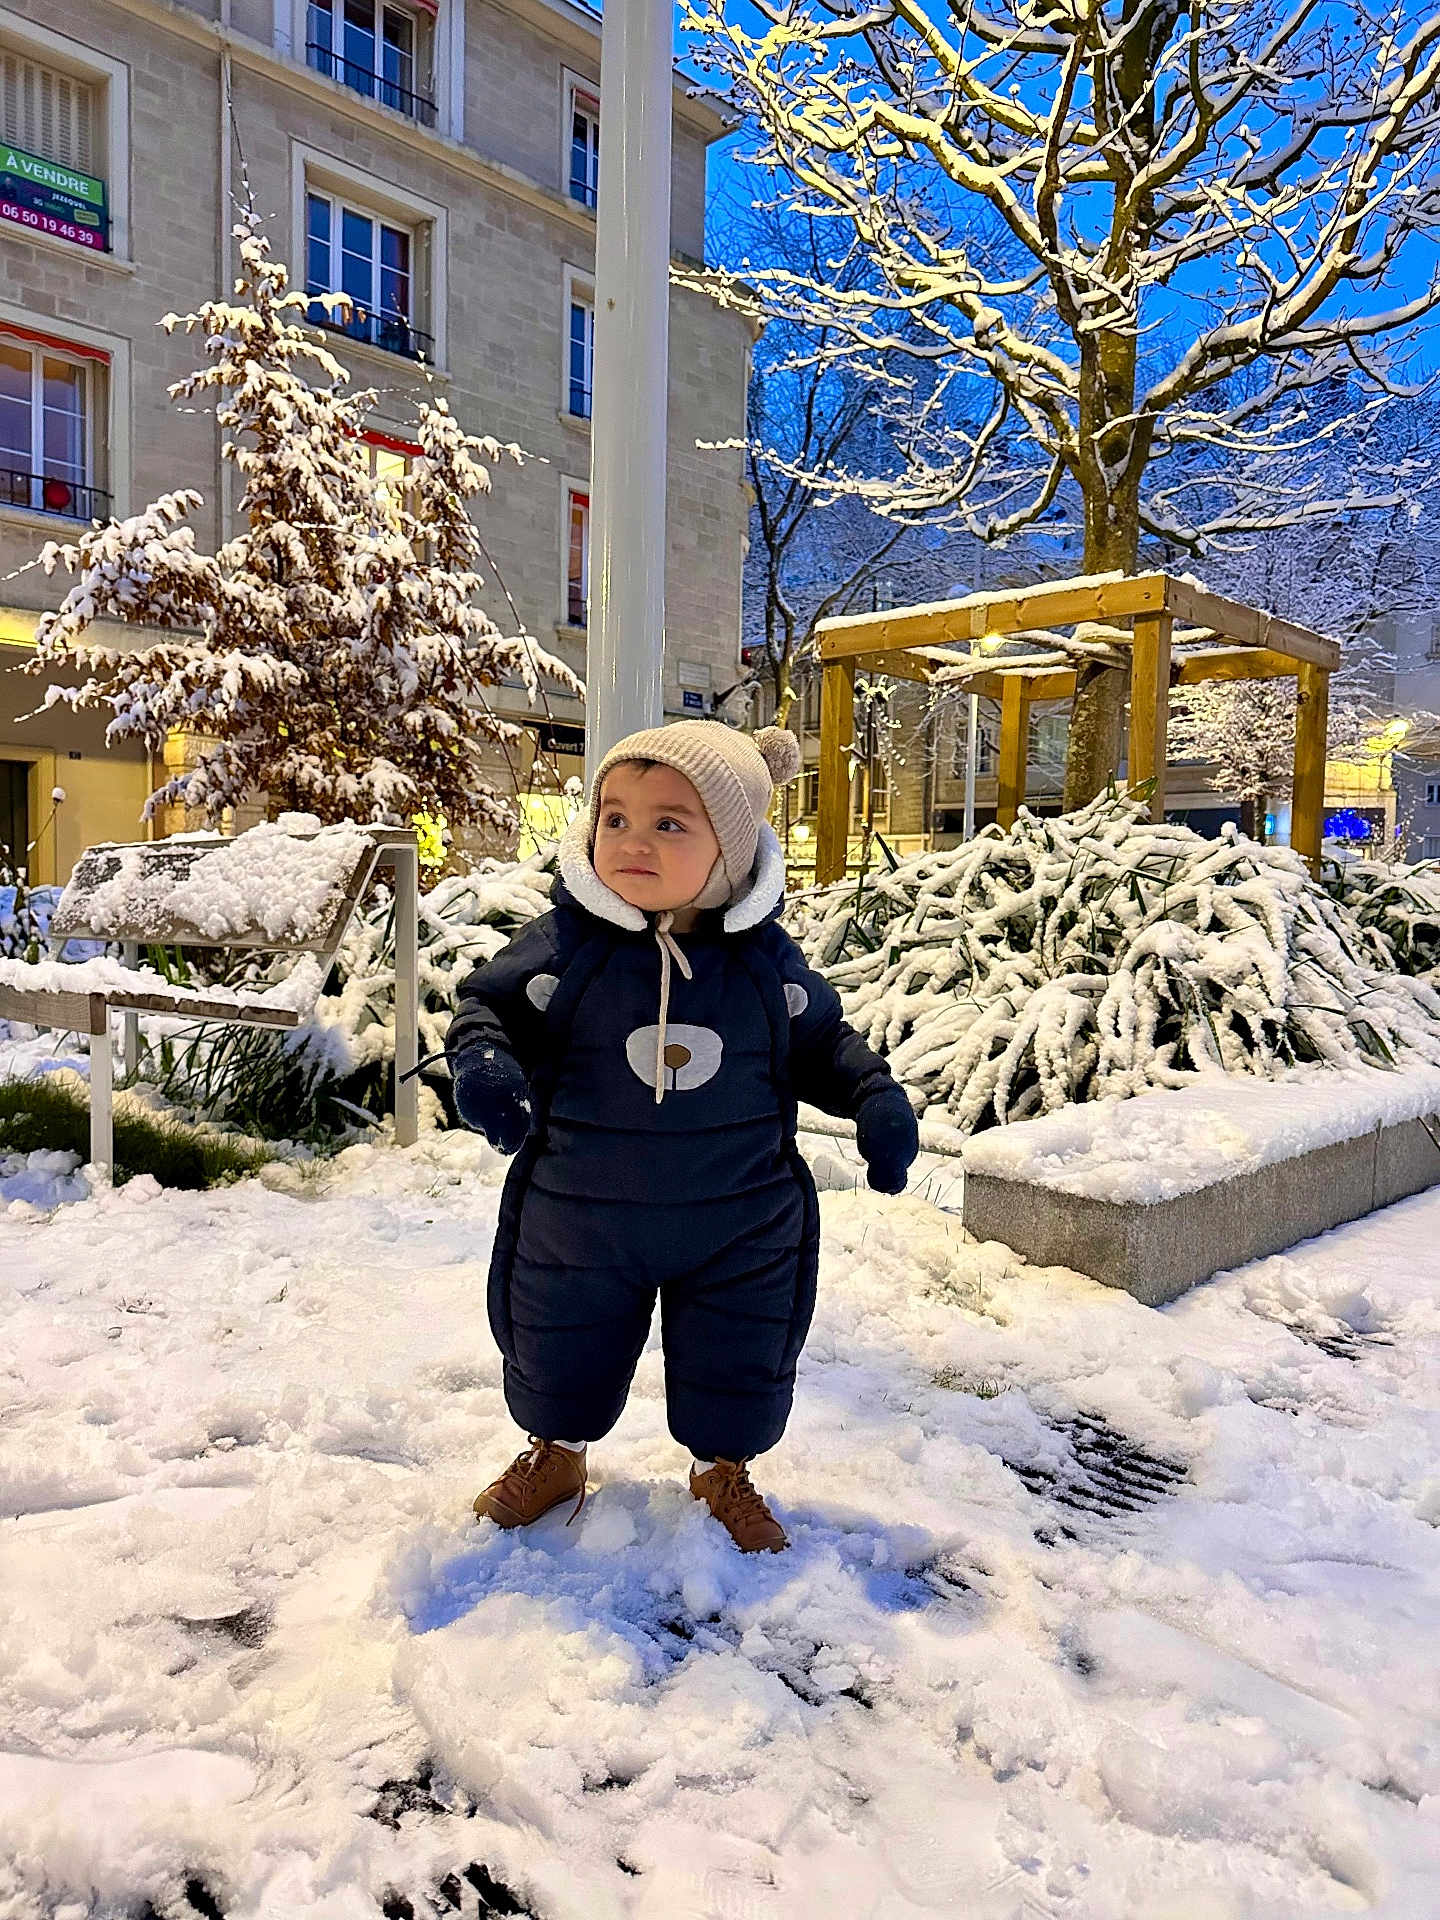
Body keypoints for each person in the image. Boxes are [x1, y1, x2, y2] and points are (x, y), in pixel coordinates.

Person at [447, 720, 919, 1553]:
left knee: (739, 1348)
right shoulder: (566, 946)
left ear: (731, 852)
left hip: (738, 1217)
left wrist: (873, 1096)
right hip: (580, 1213)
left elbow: (818, 1042)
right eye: (615, 817)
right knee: (560, 1341)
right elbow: (490, 1008)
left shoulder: (764, 963)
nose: (631, 839)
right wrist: (486, 1065)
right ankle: (554, 1455)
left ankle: (721, 1466)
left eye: (670, 822)